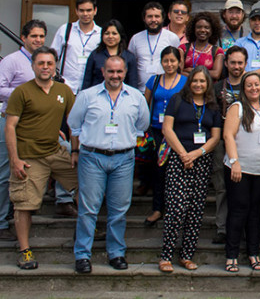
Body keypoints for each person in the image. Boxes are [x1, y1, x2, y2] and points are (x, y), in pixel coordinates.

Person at [68, 56, 150, 274]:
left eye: (119, 72)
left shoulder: (135, 97)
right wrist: (77, 149)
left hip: (123, 158)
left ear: (125, 72)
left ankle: (116, 252)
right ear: (103, 71)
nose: (115, 76)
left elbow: (143, 124)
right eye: (111, 72)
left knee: (119, 209)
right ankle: (83, 255)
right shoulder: (87, 96)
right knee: (88, 209)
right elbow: (73, 124)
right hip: (93, 157)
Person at [6, 47, 78, 269]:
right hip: (29, 156)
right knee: (24, 204)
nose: (45, 67)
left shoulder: (64, 90)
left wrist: (74, 150)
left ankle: (87, 230)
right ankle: (25, 251)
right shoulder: (22, 92)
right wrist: (15, 160)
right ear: (33, 66)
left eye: (49, 63)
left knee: (87, 184)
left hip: (55, 151)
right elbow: (10, 127)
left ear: (55, 65)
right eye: (41, 63)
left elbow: (72, 123)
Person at [158, 67, 222, 273]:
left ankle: (186, 256)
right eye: (195, 81)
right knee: (176, 209)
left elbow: (215, 137)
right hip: (179, 159)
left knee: (195, 210)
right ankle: (166, 256)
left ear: (208, 84)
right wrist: (184, 154)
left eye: (202, 82)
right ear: (189, 82)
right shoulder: (178, 100)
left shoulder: (212, 106)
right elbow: (167, 129)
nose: (198, 85)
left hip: (202, 161)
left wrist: (197, 154)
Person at [222, 71, 260, 272]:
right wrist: (234, 161)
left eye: (257, 85)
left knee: (255, 213)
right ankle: (231, 255)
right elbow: (228, 135)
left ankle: (253, 253)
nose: (253, 88)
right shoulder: (238, 107)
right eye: (249, 85)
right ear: (243, 89)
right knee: (238, 211)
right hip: (239, 169)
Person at [0, 20, 46, 241]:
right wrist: (23, 92)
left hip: (34, 123)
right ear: (24, 37)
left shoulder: (43, 62)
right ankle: (1, 222)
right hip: (9, 121)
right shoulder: (12, 61)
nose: (38, 40)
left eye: (41, 36)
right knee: (5, 172)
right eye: (34, 36)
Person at [142, 47, 188, 228]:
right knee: (159, 172)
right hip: (156, 132)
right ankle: (158, 208)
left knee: (176, 173)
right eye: (166, 61)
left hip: (177, 133)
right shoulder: (153, 81)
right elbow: (144, 105)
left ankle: (175, 209)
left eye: (173, 61)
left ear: (179, 63)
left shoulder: (185, 82)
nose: (169, 64)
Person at [208, 46, 248, 245]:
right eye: (233, 62)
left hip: (246, 143)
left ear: (245, 64)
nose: (237, 66)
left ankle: (244, 228)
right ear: (226, 63)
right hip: (221, 142)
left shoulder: (252, 85)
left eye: (240, 63)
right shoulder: (217, 88)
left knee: (244, 187)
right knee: (222, 186)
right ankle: (222, 228)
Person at [50, 0, 102, 93]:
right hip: (65, 87)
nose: (85, 14)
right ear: (76, 11)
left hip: (91, 89)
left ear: (95, 10)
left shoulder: (101, 34)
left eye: (89, 10)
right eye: (81, 10)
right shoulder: (65, 30)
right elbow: (52, 56)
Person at [129, 1, 181, 92]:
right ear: (144, 18)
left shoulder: (172, 38)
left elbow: (179, 64)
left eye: (157, 16)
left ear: (163, 18)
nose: (153, 20)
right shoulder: (135, 39)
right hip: (140, 91)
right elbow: (131, 65)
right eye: (150, 16)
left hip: (164, 90)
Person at [82, 19, 139, 89]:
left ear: (121, 35)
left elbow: (132, 83)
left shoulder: (129, 57)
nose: (110, 36)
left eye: (114, 33)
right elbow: (87, 81)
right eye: (107, 33)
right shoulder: (95, 55)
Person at [179, 11, 224, 80]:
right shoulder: (183, 48)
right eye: (199, 27)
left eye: (207, 27)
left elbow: (216, 74)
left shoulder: (217, 51)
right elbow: (179, 72)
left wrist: (192, 71)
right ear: (193, 29)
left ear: (212, 30)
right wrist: (207, 73)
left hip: (208, 89)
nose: (202, 30)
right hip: (186, 88)